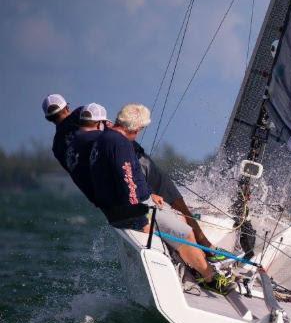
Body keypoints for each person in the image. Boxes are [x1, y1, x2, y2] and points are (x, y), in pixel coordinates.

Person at [43, 94, 217, 256]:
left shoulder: (58, 147)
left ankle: (172, 252)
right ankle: (203, 244)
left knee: (147, 215)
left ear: (48, 119)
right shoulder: (83, 114)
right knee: (170, 194)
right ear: (67, 107)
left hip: (106, 192)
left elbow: (78, 174)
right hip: (128, 163)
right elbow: (113, 131)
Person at [89, 103, 231, 294]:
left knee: (180, 218)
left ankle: (197, 258)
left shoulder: (107, 137)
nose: (139, 133)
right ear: (133, 128)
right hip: (137, 204)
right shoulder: (118, 144)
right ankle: (208, 277)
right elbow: (125, 179)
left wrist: (148, 192)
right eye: (139, 129)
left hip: (137, 193)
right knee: (184, 233)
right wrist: (144, 203)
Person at [62, 103, 108, 206]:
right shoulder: (99, 138)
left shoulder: (72, 143)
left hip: (98, 200)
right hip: (113, 199)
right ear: (99, 123)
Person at [42, 94, 83, 171]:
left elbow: (72, 171)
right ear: (67, 108)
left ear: (48, 119)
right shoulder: (81, 113)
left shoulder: (56, 146)